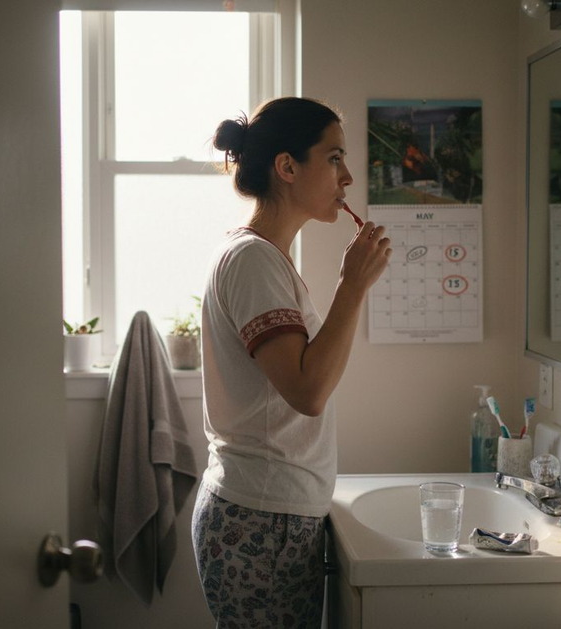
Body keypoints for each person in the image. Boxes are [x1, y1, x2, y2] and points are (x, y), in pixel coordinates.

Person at [191, 97, 391, 628]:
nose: (347, 176)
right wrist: (352, 285)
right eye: (333, 158)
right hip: (261, 519)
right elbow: (307, 392)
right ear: (286, 167)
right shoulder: (254, 260)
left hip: (266, 512)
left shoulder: (262, 256)